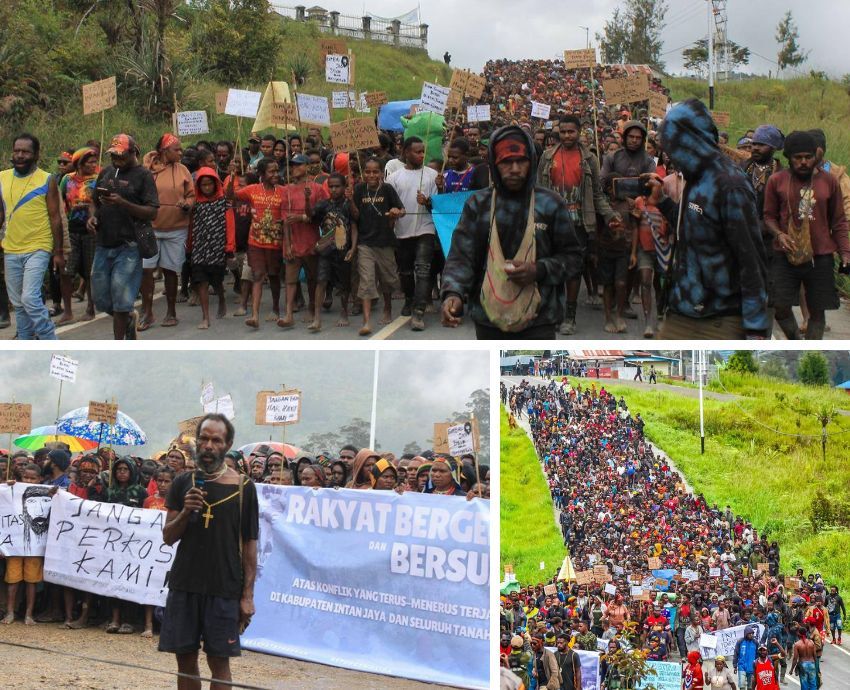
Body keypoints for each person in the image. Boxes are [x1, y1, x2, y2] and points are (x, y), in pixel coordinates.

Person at [441, 125, 582, 339]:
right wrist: (453, 293)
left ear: (532, 162)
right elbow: (461, 256)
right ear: (494, 165)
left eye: (521, 161)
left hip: (539, 320)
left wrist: (538, 270)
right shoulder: (478, 205)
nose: (515, 169)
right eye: (506, 162)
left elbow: (573, 258)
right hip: (488, 319)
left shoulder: (550, 204)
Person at [648, 99, 769, 339]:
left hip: (718, 320)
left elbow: (751, 259)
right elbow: (692, 226)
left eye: (673, 147)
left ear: (691, 142)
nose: (669, 156)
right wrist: (661, 200)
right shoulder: (695, 178)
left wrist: (755, 328)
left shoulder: (730, 186)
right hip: (681, 311)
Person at [160, 414, 259, 690]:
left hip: (224, 587)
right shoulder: (182, 483)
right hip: (185, 584)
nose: (208, 445)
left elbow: (250, 545)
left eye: (216, 440)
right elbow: (168, 536)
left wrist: (247, 596)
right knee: (186, 661)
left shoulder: (244, 488)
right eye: (204, 438)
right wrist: (186, 511)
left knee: (219, 663)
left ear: (227, 444)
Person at [537, 116, 621, 335]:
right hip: (551, 220)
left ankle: (570, 317)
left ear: (579, 132)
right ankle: (552, 311)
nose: (567, 136)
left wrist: (610, 214)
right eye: (563, 132)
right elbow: (537, 191)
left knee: (573, 270)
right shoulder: (547, 157)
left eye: (571, 132)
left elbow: (597, 194)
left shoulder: (590, 159)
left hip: (579, 222)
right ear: (558, 132)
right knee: (550, 267)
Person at [762, 130, 849, 340]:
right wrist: (779, 234)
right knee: (780, 306)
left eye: (808, 157)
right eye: (798, 158)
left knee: (817, 310)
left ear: (815, 156)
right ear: (789, 158)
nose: (803, 162)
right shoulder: (777, 181)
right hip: (785, 254)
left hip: (820, 257)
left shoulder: (829, 182)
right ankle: (794, 340)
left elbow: (838, 221)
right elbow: (768, 216)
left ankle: (811, 346)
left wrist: (845, 253)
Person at [88, 134, 160, 339]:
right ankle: (128, 318)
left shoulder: (143, 176)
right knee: (100, 298)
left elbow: (152, 212)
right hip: (104, 242)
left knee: (121, 298)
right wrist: (92, 217)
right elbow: (95, 201)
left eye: (121, 155)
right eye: (113, 155)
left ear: (133, 152)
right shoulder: (106, 172)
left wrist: (123, 203)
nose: (116, 159)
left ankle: (119, 343)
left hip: (130, 245)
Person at [0, 133, 64, 340]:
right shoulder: (2, 177)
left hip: (38, 246)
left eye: (25, 151)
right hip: (11, 248)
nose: (19, 155)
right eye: (17, 151)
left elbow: (56, 218)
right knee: (18, 304)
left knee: (29, 298)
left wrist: (59, 251)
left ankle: (51, 344)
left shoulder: (47, 179)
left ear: (36, 155)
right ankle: (27, 347)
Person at [140, 133, 195, 329]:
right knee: (146, 271)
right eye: (176, 149)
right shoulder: (146, 169)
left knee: (171, 271)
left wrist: (186, 204)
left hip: (176, 228)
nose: (180, 152)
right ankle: (147, 313)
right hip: (150, 228)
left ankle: (171, 312)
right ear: (164, 151)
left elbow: (191, 195)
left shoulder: (183, 171)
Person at [226, 157, 284, 329]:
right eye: (271, 171)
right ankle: (255, 315)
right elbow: (230, 196)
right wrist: (231, 176)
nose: (275, 174)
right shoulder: (252, 189)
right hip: (255, 242)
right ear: (261, 174)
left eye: (276, 171)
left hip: (275, 243)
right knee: (257, 276)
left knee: (273, 276)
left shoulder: (283, 191)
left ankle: (275, 308)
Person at [387, 137, 439, 331]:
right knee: (406, 272)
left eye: (423, 151)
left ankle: (419, 311)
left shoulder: (433, 175)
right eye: (417, 151)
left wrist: (427, 201)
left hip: (425, 228)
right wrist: (393, 212)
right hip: (402, 230)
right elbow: (389, 202)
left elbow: (438, 203)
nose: (421, 155)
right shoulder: (394, 178)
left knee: (423, 269)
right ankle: (409, 300)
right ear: (406, 152)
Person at [352, 157, 405, 335]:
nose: (372, 175)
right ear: (363, 173)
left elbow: (402, 209)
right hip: (365, 243)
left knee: (387, 279)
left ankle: (387, 308)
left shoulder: (387, 189)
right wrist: (349, 201)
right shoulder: (359, 189)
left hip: (385, 242)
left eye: (375, 171)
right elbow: (355, 216)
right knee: (366, 280)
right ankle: (366, 322)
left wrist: (397, 212)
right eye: (368, 171)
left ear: (382, 173)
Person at [279, 153, 328, 329]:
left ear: (306, 167)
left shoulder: (317, 189)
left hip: (312, 241)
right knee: (291, 280)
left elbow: (321, 216)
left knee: (313, 279)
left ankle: (313, 310)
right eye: (292, 165)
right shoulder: (287, 190)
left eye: (298, 165)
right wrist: (288, 243)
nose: (294, 168)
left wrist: (302, 217)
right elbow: (285, 220)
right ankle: (288, 314)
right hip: (294, 242)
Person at [187, 167, 235, 330]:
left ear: (215, 184)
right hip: (199, 248)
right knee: (201, 281)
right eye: (203, 185)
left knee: (217, 282)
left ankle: (221, 298)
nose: (207, 188)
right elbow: (191, 226)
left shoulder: (224, 203)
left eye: (210, 184)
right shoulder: (196, 204)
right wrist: (189, 245)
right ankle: (205, 316)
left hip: (217, 248)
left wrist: (229, 247)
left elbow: (230, 225)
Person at [307, 171, 355, 332]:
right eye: (331, 186)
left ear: (344, 187)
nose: (334, 190)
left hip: (343, 250)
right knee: (321, 281)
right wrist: (307, 200)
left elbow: (355, 224)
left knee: (344, 284)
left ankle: (344, 312)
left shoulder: (348, 205)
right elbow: (310, 216)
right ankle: (317, 317)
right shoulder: (323, 204)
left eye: (337, 186)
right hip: (325, 250)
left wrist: (353, 248)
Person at [58, 146, 100, 324]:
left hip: (90, 231)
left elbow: (99, 204)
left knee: (89, 270)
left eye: (94, 162)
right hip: (71, 230)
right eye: (90, 162)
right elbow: (61, 202)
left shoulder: (97, 180)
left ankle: (91, 308)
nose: (93, 165)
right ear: (80, 164)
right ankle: (67, 311)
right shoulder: (67, 180)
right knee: (66, 271)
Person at [790, 625, 817, 690]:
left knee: (804, 684)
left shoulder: (797, 644)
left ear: (799, 633)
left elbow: (795, 659)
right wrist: (815, 665)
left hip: (803, 665)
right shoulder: (811, 642)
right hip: (812, 664)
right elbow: (815, 656)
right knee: (813, 683)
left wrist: (792, 669)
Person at [734, 626, 758, 690]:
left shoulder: (755, 642)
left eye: (752, 633)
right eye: (749, 634)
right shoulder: (740, 642)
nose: (751, 635)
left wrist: (757, 666)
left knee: (750, 686)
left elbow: (757, 655)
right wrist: (735, 666)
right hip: (741, 667)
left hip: (752, 668)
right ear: (746, 634)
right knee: (742, 685)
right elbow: (736, 654)